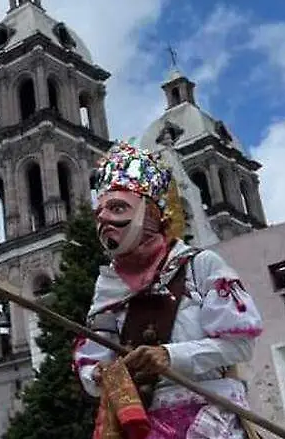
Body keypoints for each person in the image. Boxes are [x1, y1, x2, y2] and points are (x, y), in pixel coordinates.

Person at [73, 142, 263, 439]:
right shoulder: (108, 286)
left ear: (151, 213)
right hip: (142, 424)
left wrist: (169, 356)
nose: (105, 220)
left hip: (209, 419)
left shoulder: (202, 264)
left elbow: (239, 345)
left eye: (118, 208)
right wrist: (98, 374)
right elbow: (95, 360)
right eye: (100, 213)